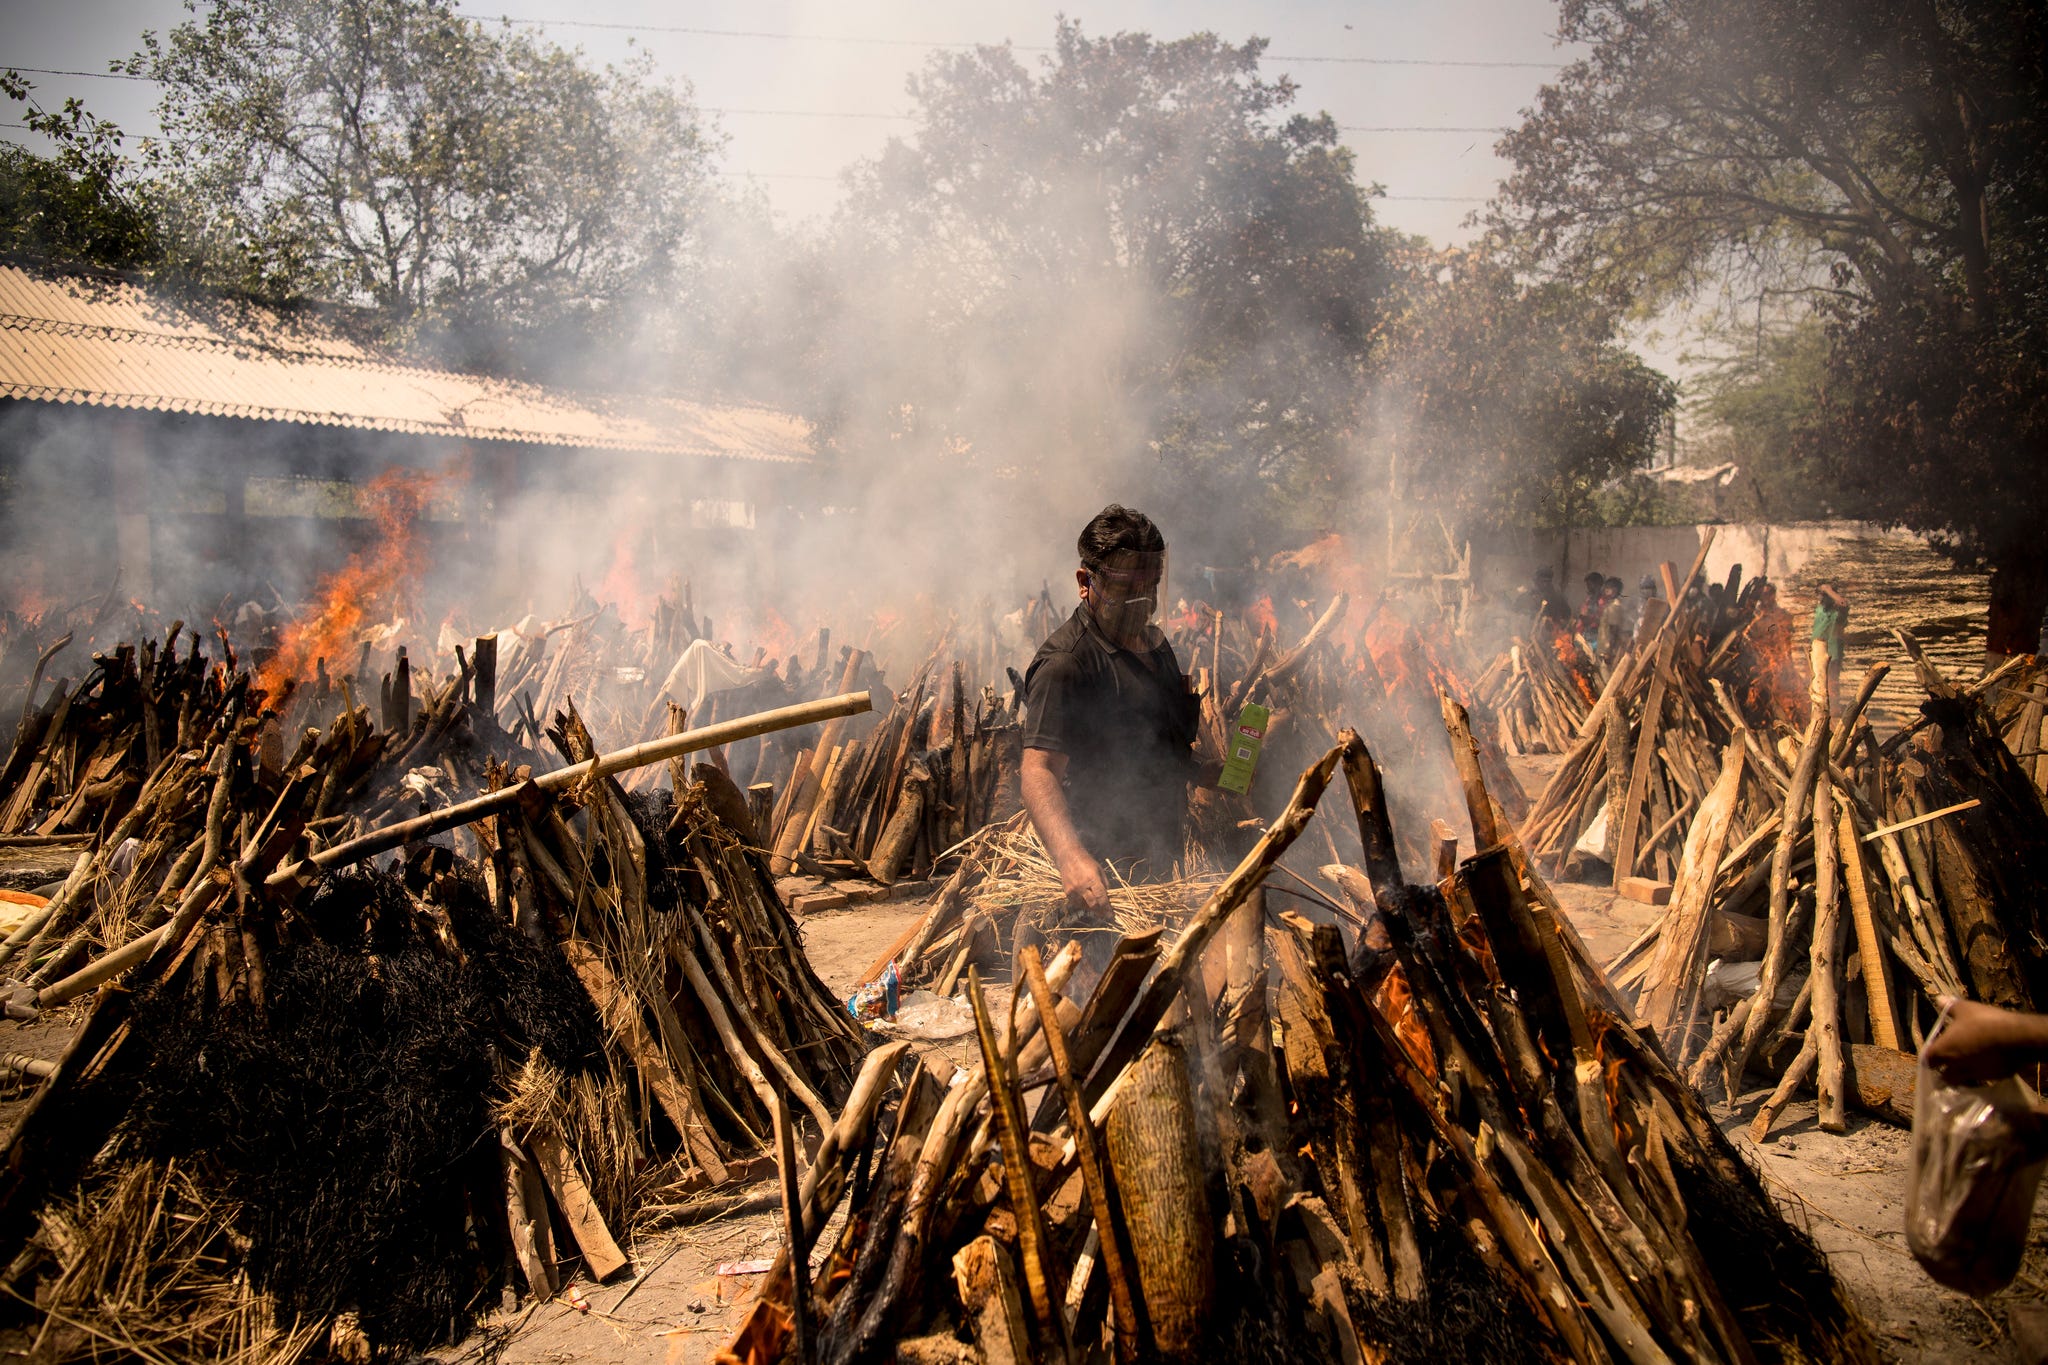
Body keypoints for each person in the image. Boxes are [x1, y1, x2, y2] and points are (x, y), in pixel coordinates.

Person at [1020, 507, 1220, 967]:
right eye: (1127, 589)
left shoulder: (1156, 647)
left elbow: (1148, 747)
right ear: (1084, 581)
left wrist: (1201, 772)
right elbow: (1038, 770)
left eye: (1150, 588)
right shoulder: (1066, 664)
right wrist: (1072, 858)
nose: (1142, 602)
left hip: (1159, 865)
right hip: (1101, 882)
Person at [1811, 583, 1848, 712]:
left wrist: (1828, 590)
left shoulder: (1838, 612)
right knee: (1816, 680)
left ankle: (1833, 710)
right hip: (1816, 651)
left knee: (1831, 681)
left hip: (1832, 652)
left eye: (1824, 596)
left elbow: (1843, 603)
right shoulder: (1820, 609)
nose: (1821, 598)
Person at [1597, 576, 1630, 661]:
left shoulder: (1614, 607)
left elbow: (1614, 631)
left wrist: (1609, 652)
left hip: (1609, 652)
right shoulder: (1609, 605)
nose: (1605, 590)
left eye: (1608, 588)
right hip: (1604, 650)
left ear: (1614, 590)